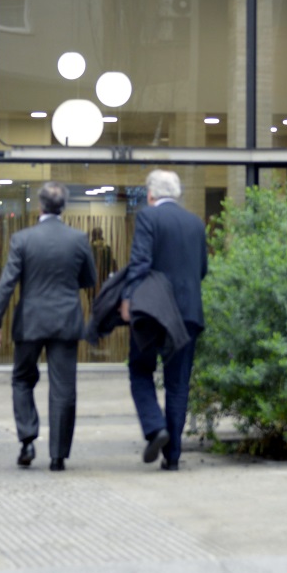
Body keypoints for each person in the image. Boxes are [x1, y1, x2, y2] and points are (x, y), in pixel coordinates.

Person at [0, 182, 97, 471]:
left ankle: (27, 440)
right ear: (63, 208)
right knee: (63, 387)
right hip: (65, 321)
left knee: (22, 379)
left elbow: (7, 283)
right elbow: (89, 279)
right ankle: (58, 456)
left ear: (40, 206)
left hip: (31, 321)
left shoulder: (22, 239)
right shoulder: (78, 239)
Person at [120, 170, 208, 470]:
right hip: (188, 314)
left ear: (150, 195)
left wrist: (128, 298)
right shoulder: (195, 223)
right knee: (178, 383)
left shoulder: (148, 217)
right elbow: (202, 269)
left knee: (140, 370)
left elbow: (140, 262)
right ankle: (172, 457)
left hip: (153, 312)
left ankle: (156, 427)